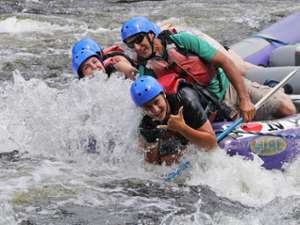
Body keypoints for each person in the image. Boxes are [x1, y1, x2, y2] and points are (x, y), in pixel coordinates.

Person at [121, 17, 296, 122]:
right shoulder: (147, 69)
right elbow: (156, 103)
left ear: (151, 35)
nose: (136, 47)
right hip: (201, 109)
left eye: (139, 39)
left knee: (287, 108)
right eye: (131, 44)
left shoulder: (183, 41)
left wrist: (244, 99)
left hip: (228, 89)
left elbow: (225, 63)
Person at [131, 75, 217, 165]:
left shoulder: (185, 99)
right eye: (148, 107)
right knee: (165, 160)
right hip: (182, 135)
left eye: (156, 102)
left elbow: (212, 144)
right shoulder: (146, 121)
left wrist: (182, 128)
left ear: (163, 93)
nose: (155, 110)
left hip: (214, 119)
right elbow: (152, 163)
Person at [71, 37, 138, 80]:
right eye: (86, 67)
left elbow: (119, 63)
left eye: (94, 61)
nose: (94, 67)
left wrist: (123, 67)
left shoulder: (112, 62)